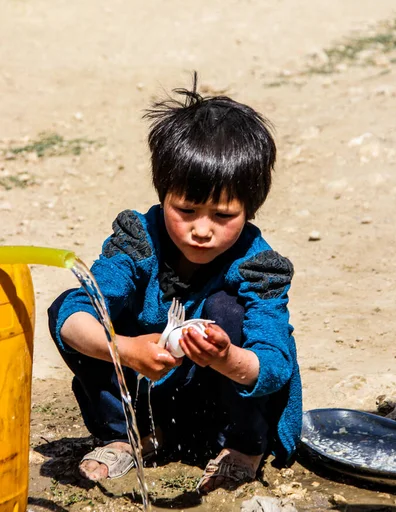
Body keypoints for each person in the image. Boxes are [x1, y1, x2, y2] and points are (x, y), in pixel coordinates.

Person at [48, 73, 302, 494]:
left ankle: (244, 448)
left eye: (223, 216)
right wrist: (125, 350)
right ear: (164, 193)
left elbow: (274, 364)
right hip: (152, 391)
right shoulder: (136, 241)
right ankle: (134, 433)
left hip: (223, 407)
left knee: (226, 310)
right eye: (186, 210)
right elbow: (74, 312)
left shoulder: (259, 267)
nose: (202, 230)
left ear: (250, 210)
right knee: (75, 310)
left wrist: (225, 357)